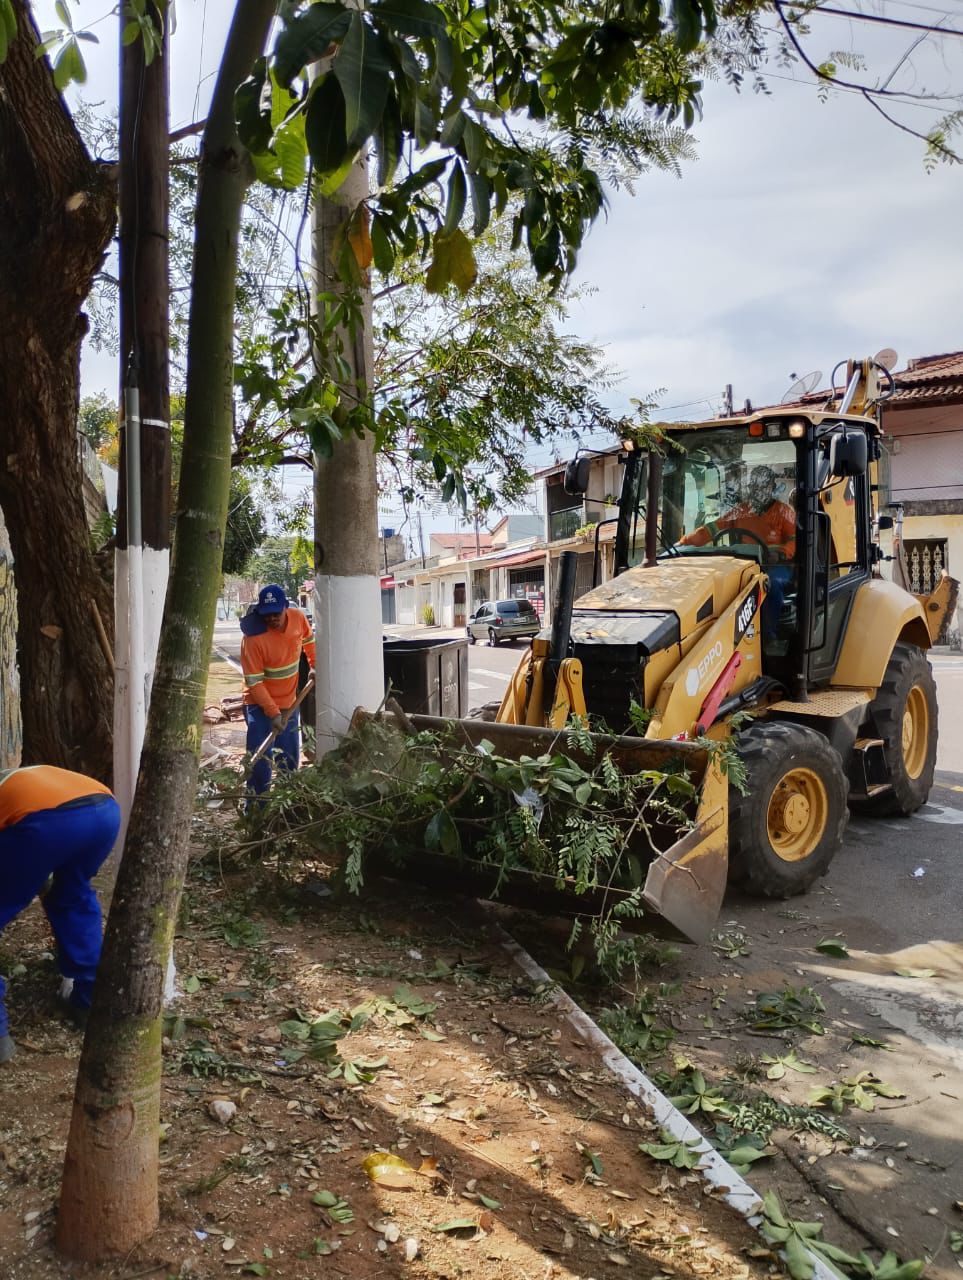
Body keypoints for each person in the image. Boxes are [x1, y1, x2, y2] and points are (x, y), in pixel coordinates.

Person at [0, 765, 121, 1063]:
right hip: (104, 812)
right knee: (72, 897)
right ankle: (89, 1001)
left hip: (44, 823)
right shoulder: (13, 778)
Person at [240, 584, 316, 795]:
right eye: (267, 615)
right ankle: (256, 808)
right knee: (260, 763)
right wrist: (273, 713)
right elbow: (255, 682)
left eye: (276, 614)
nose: (272, 619)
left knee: (289, 760)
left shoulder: (298, 618)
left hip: (289, 702)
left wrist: (314, 664)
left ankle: (288, 804)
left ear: (285, 607)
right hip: (258, 705)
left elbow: (309, 640)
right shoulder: (253, 639)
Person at [679, 465, 796, 558]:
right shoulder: (740, 511)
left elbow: (795, 540)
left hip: (773, 565)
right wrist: (684, 543)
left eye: (764, 486)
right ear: (750, 488)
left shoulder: (784, 512)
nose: (758, 490)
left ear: (773, 487)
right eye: (755, 486)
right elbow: (712, 528)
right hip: (744, 563)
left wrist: (782, 552)